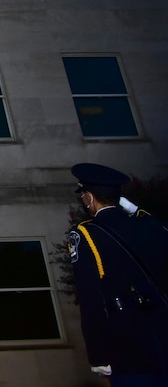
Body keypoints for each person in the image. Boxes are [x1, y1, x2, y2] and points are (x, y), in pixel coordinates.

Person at [68, 162, 168, 385]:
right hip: (162, 328)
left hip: (126, 341)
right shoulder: (150, 226)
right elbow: (153, 220)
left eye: (84, 194)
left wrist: (98, 355)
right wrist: (122, 202)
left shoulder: (87, 233)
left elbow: (90, 298)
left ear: (90, 197)